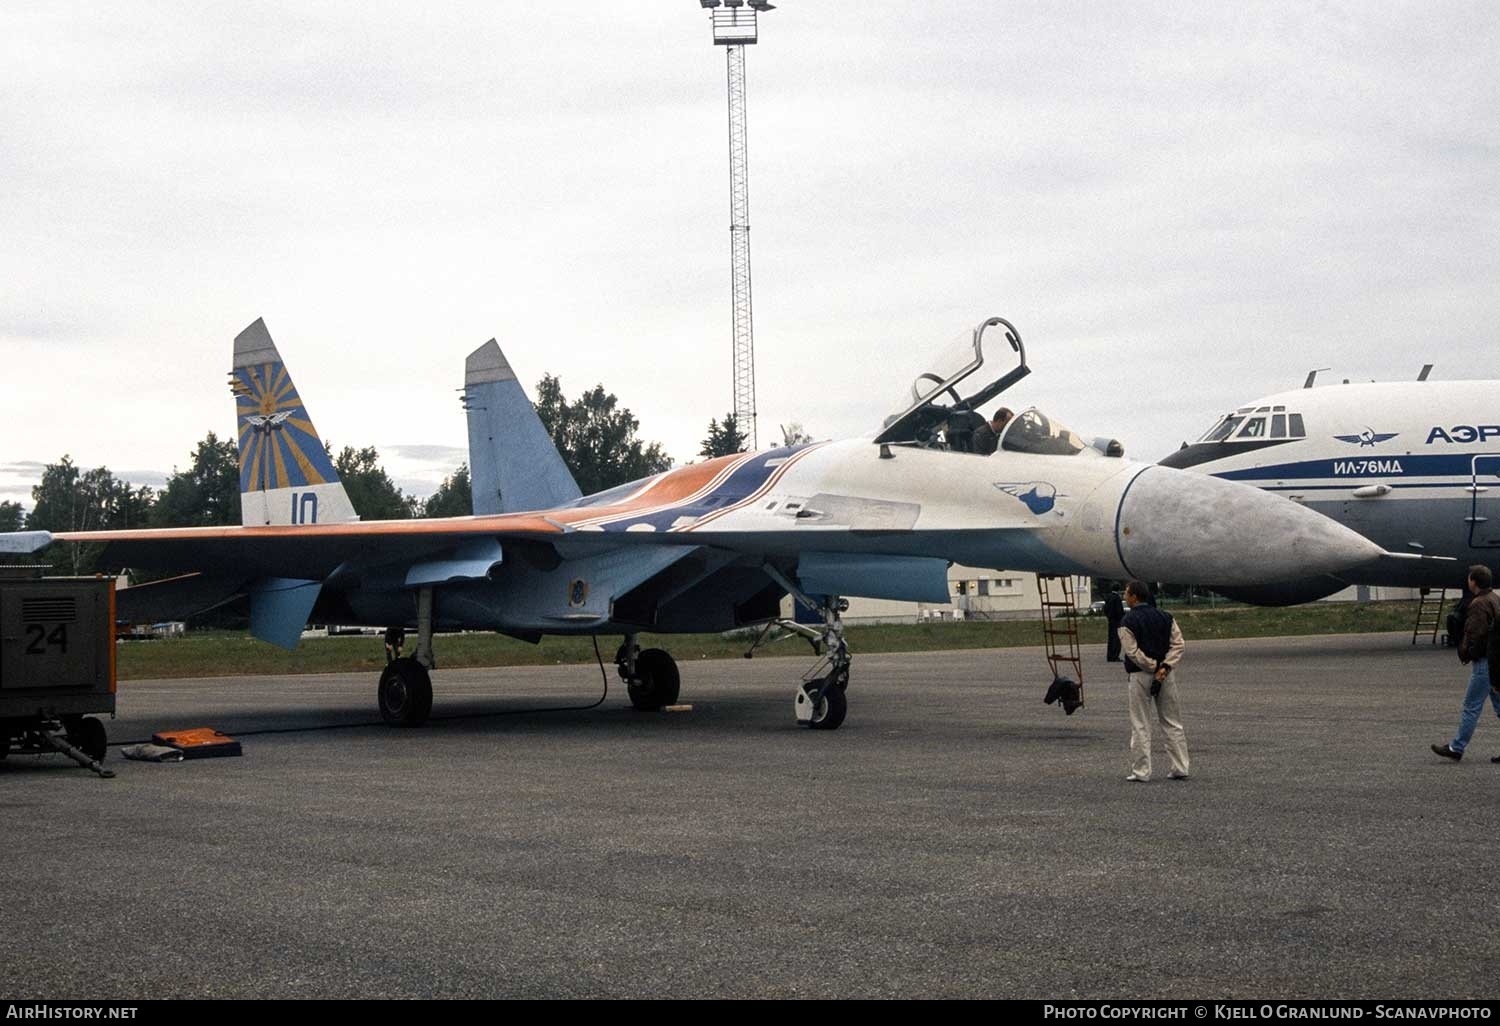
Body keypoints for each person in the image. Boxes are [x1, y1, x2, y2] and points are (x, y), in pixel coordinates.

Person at [1117, 580, 1189, 782]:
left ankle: (1141, 771)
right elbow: (1178, 644)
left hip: (1140, 675)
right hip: (1166, 675)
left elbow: (1132, 652)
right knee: (1172, 721)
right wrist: (1164, 667)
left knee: (1140, 723)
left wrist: (1151, 666)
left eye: (1126, 592)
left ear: (1134, 596)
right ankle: (1180, 766)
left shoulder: (1126, 622)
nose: (1125, 596)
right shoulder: (1166, 617)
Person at [1431, 565, 1500, 762]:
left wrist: (1466, 652)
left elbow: (1475, 634)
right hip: (1496, 661)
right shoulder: (1495, 598)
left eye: (1469, 578)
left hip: (1484, 663)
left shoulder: (1479, 603)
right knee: (1499, 706)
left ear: (1474, 582)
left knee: (1471, 706)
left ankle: (1457, 747)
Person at [1104, 589, 1125, 663]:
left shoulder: (1108, 597)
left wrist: (1108, 616)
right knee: (1116, 639)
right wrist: (1122, 618)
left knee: (1111, 638)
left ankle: (1110, 655)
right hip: (1117, 620)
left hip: (1111, 620)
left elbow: (1105, 608)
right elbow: (1119, 610)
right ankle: (1115, 656)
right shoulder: (1117, 598)